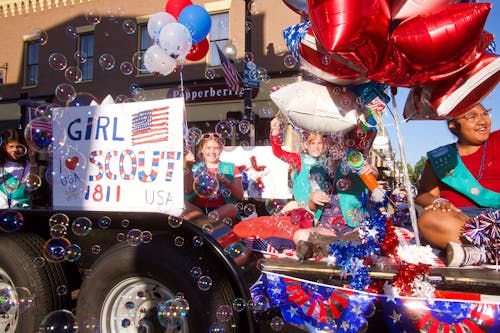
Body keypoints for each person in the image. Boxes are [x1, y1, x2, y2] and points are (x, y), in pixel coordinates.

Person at [415, 103, 499, 267]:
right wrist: (436, 201)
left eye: (485, 114)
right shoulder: (440, 158)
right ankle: (490, 251)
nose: (482, 121)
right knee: (428, 220)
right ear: (453, 125)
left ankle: (481, 253)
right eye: (472, 117)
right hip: (460, 220)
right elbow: (424, 193)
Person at [293, 155, 379, 260]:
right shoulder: (318, 169)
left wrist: (370, 169)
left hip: (353, 228)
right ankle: (345, 248)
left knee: (372, 234)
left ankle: (325, 248)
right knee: (299, 235)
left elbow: (374, 173)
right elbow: (313, 208)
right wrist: (312, 198)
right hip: (327, 230)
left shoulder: (356, 164)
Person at [183, 132, 244, 222]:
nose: (212, 151)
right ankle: (207, 221)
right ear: (202, 150)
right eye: (208, 148)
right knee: (182, 204)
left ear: (221, 149)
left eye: (216, 148)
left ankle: (204, 222)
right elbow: (187, 190)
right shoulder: (194, 167)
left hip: (221, 211)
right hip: (198, 210)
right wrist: (188, 166)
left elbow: (240, 196)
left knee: (232, 208)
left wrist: (226, 181)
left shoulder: (230, 167)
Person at [270, 116, 326, 208]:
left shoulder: (326, 162)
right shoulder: (300, 159)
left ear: (324, 145)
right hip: (302, 209)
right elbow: (278, 152)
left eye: (319, 143)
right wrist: (275, 131)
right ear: (306, 145)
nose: (316, 147)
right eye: (312, 143)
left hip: (320, 211)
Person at [0, 128, 38, 208]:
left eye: (18, 146)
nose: (15, 150)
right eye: (11, 146)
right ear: (4, 147)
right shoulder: (1, 166)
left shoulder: (28, 166)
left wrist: (32, 159)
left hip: (24, 210)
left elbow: (32, 184)